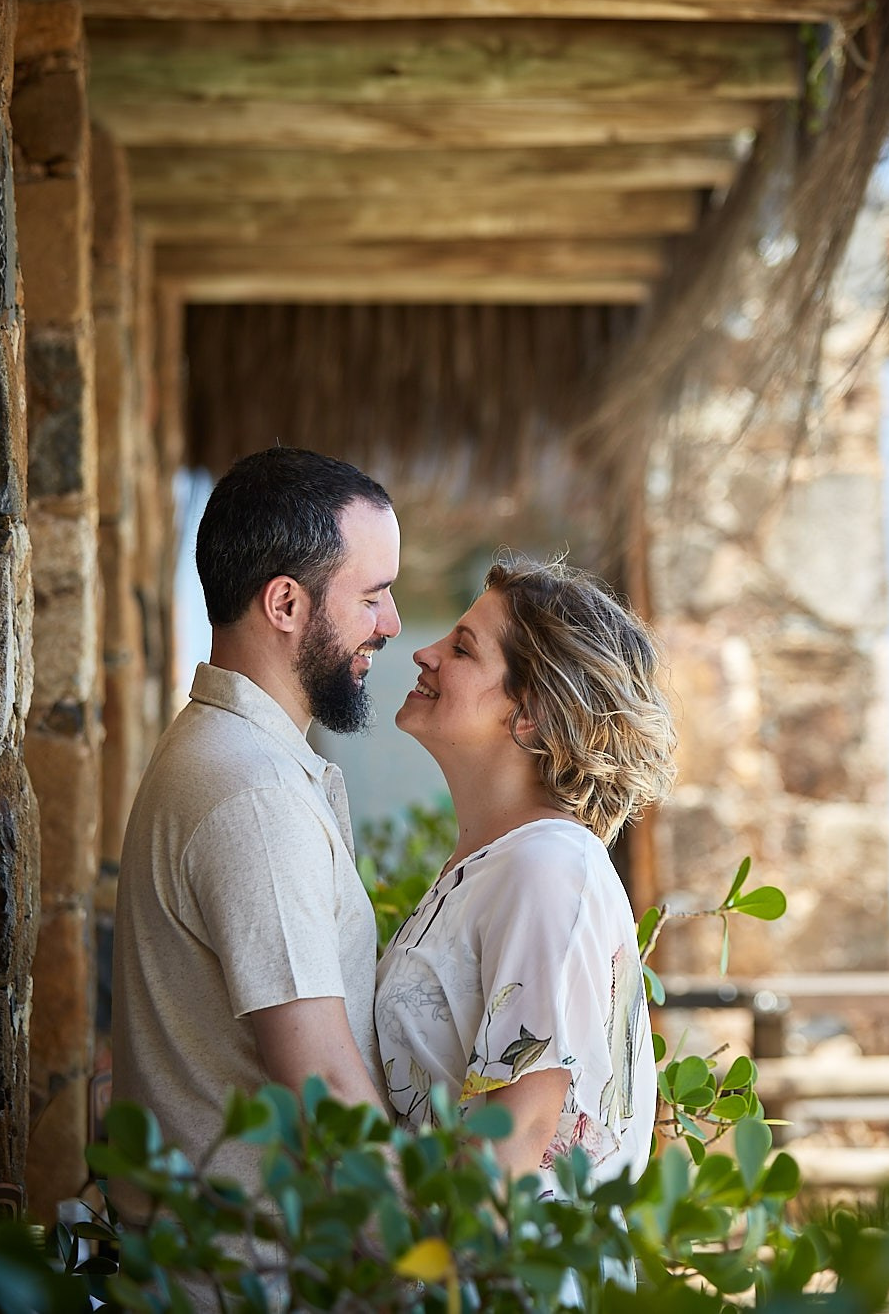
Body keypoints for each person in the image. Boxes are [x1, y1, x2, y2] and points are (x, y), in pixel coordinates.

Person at [112, 447, 399, 1210]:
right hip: (252, 1265)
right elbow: (323, 1083)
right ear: (285, 604)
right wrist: (436, 1254)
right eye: (373, 596)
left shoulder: (222, 752)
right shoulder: (254, 792)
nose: (391, 624)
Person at [376, 557, 673, 1191]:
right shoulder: (499, 863)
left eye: (462, 649)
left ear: (529, 711)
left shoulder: (546, 867)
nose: (424, 654)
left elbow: (519, 1137)